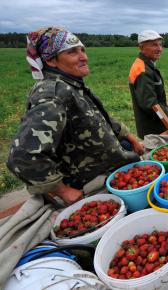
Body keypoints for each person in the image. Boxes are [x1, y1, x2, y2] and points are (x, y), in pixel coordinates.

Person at [7, 27, 143, 205]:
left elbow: (99, 119)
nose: (84, 57)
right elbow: (22, 156)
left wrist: (130, 137)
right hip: (88, 185)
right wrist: (62, 191)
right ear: (51, 60)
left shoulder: (71, 84)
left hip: (113, 170)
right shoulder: (52, 95)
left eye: (82, 50)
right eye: (72, 52)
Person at [128, 30, 168, 138]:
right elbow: (150, 104)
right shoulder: (142, 70)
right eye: (154, 45)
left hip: (157, 125)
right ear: (141, 48)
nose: (159, 49)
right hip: (153, 129)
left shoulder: (147, 66)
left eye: (160, 45)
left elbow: (154, 97)